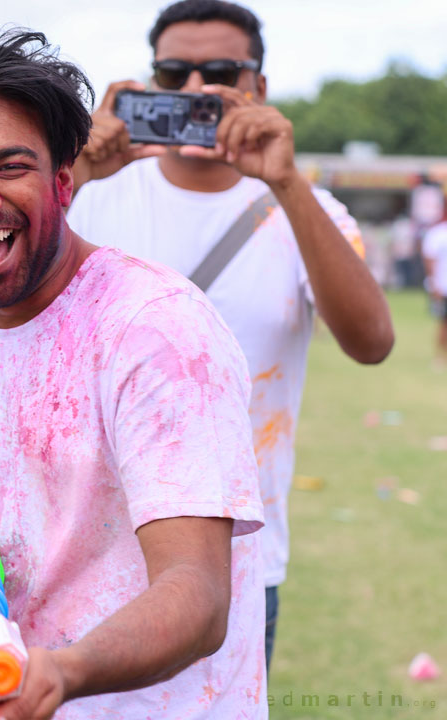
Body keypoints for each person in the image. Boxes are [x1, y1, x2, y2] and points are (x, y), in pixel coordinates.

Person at [0, 24, 267, 720]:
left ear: (63, 181)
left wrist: (63, 672)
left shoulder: (155, 327)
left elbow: (198, 592)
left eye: (8, 167)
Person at [67, 0, 395, 672]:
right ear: (148, 84)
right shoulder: (93, 193)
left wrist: (284, 181)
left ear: (260, 89)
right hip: (78, 547)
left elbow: (372, 341)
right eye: (172, 73)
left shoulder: (307, 211)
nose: (193, 90)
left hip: (237, 561)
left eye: (219, 72)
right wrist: (76, 168)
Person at [422, 214, 447, 367]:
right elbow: (429, 259)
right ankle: (440, 357)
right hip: (443, 286)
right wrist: (433, 283)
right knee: (444, 323)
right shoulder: (438, 233)